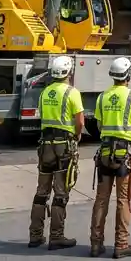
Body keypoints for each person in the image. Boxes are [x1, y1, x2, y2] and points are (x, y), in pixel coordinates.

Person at [90, 56, 131, 258]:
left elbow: (98, 125)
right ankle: (121, 245)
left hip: (105, 153)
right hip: (124, 154)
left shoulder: (103, 97)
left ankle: (96, 244)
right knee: (123, 200)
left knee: (101, 200)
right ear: (128, 75)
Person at [29, 55, 84, 250]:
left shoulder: (44, 92)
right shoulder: (72, 93)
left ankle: (35, 235)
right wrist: (77, 136)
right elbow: (80, 122)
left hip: (45, 146)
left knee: (41, 191)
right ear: (69, 72)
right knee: (60, 192)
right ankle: (56, 236)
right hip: (63, 146)